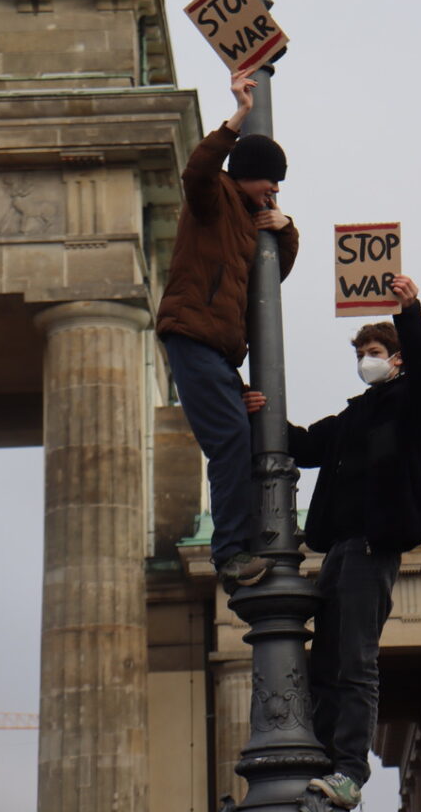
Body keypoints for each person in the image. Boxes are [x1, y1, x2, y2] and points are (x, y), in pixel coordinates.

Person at [244, 275, 421, 810]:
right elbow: (305, 444)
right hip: (339, 550)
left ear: (397, 359)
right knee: (328, 663)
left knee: (354, 663)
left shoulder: (410, 404)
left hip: (373, 548)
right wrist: (259, 411)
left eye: (375, 352)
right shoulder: (355, 416)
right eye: (361, 353)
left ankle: (349, 772)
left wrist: (410, 312)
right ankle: (329, 760)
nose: (366, 360)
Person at [157, 70, 299, 589]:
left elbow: (269, 283)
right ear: (248, 174)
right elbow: (196, 169)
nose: (275, 190)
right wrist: (237, 118)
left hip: (218, 353)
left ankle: (241, 544)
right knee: (232, 445)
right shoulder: (214, 195)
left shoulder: (250, 221)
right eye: (271, 180)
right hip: (192, 336)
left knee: (242, 432)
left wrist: (286, 232)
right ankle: (231, 555)